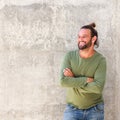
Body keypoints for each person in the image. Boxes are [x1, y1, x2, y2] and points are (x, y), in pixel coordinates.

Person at [60, 23, 107, 120]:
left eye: (84, 37)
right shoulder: (69, 56)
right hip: (72, 110)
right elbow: (63, 81)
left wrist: (73, 80)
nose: (80, 39)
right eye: (79, 37)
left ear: (93, 39)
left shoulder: (100, 60)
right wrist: (86, 80)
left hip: (95, 110)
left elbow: (98, 88)